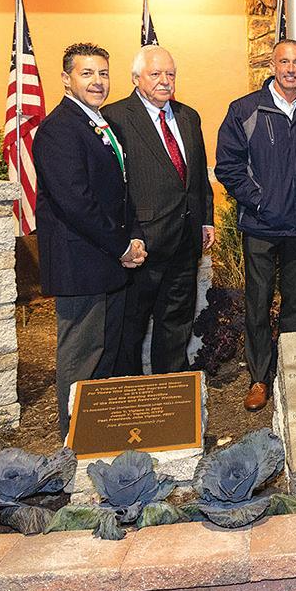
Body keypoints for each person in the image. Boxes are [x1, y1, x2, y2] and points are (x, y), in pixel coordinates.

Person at [33, 43, 147, 437]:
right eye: (87, 73)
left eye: (102, 73)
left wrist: (134, 236)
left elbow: (122, 191)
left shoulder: (102, 124)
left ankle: (103, 432)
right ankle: (76, 438)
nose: (97, 82)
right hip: (80, 263)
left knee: (107, 354)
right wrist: (121, 245)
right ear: (66, 79)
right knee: (82, 356)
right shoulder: (58, 130)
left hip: (110, 261)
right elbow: (76, 203)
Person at [215, 39, 296, 412]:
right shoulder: (245, 109)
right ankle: (259, 377)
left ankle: (289, 374)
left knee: (294, 303)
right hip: (260, 225)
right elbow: (228, 166)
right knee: (257, 304)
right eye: (284, 62)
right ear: (272, 65)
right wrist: (260, 201)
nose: (291, 69)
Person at [102, 45, 214, 377]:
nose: (165, 80)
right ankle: (133, 393)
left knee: (176, 322)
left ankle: (172, 389)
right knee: (131, 326)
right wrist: (123, 237)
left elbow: (197, 175)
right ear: (136, 78)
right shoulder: (115, 118)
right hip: (142, 244)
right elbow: (112, 186)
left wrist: (206, 219)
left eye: (170, 74)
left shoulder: (188, 116)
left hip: (185, 241)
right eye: (155, 74)